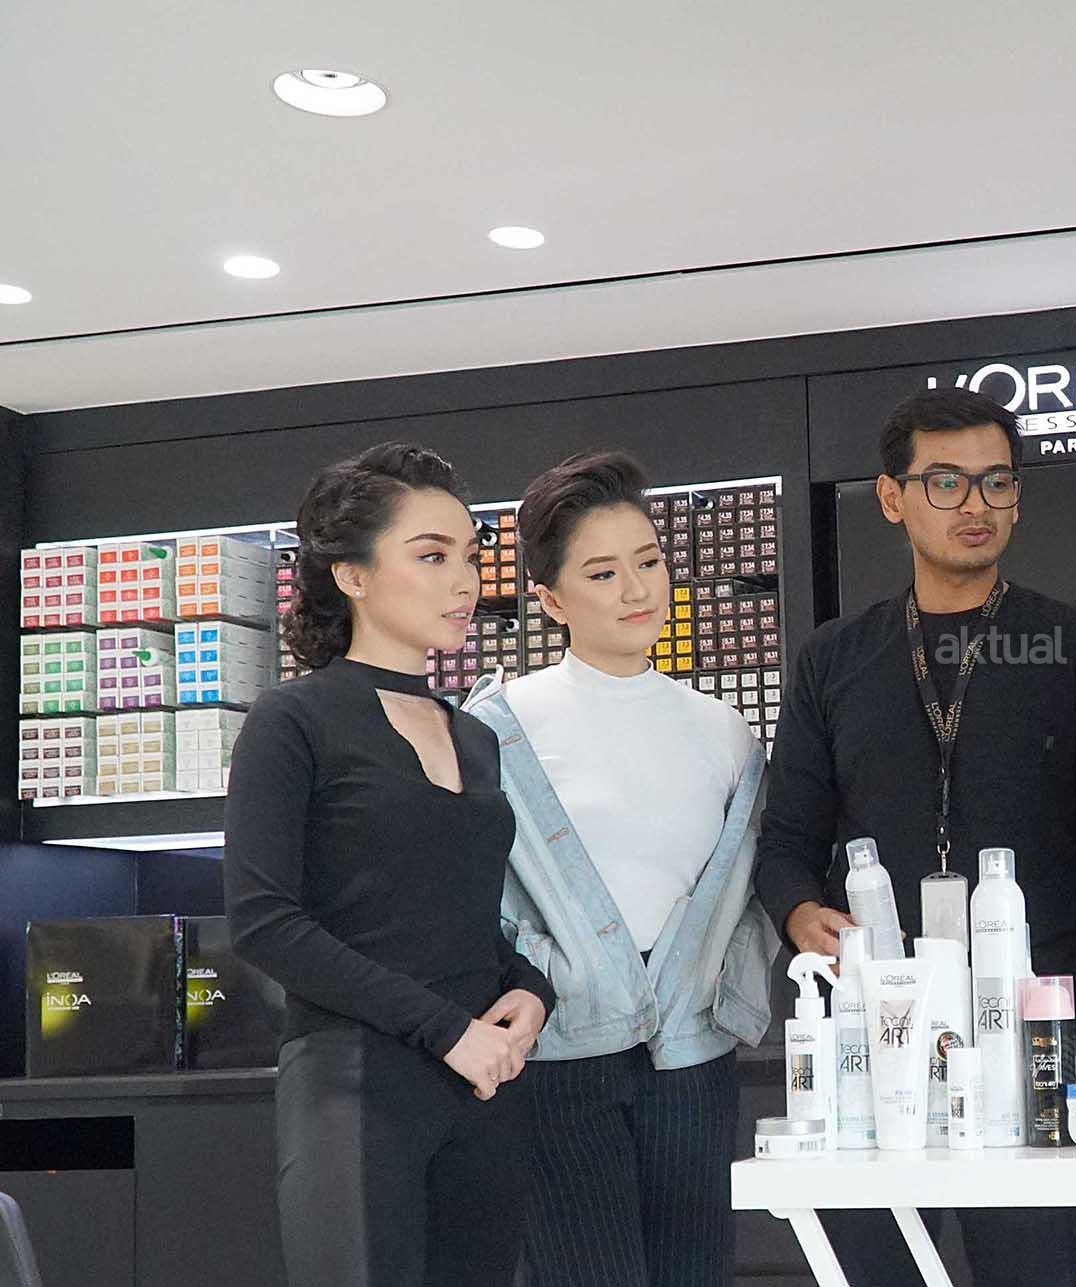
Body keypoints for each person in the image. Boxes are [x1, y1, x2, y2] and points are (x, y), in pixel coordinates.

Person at [753, 388, 1076, 1287]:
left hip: (1034, 1013)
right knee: (876, 1264)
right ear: (893, 498)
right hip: (877, 1016)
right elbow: (787, 839)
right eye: (946, 482)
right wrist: (802, 914)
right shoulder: (835, 659)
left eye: (997, 481)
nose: (975, 504)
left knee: (1033, 1264)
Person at [225, 442, 557, 1287]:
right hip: (355, 1086)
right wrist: (447, 1031)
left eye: (470, 556)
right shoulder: (291, 720)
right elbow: (265, 923)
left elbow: (456, 913)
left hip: (483, 1090)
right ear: (353, 575)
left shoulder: (476, 736)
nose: (465, 581)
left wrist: (530, 989)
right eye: (432, 556)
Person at [463, 451, 777, 1287]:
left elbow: (746, 899)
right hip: (555, 1057)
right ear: (551, 599)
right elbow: (472, 898)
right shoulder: (498, 727)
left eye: (649, 561)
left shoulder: (724, 730)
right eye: (602, 573)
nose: (637, 590)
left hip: (692, 1058)